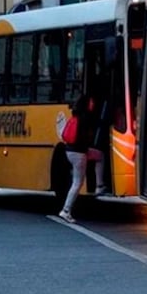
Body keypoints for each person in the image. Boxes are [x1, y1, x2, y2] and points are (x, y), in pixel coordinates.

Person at [59, 94, 95, 223]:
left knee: (99, 156)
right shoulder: (85, 119)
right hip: (79, 153)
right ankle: (66, 210)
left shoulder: (75, 116)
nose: (93, 104)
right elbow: (84, 138)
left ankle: (100, 184)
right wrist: (87, 149)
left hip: (70, 151)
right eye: (91, 102)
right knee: (77, 182)